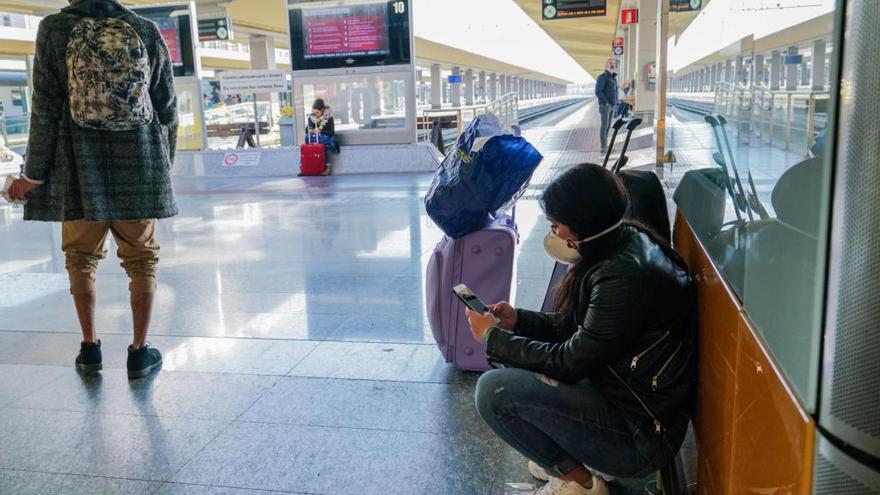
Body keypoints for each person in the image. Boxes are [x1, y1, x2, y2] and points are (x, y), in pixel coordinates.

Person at [467, 164, 696, 495]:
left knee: (495, 392)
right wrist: (517, 320)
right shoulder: (626, 239)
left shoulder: (623, 278)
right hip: (626, 397)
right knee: (518, 359)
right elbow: (580, 331)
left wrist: (493, 338)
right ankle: (563, 461)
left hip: (640, 437)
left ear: (584, 225)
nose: (553, 235)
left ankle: (581, 483)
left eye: (556, 225)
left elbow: (570, 361)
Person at [7, 0, 178, 379]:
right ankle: (139, 352)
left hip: (78, 167)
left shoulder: (54, 29)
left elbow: (46, 108)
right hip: (140, 165)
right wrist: (162, 167)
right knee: (142, 259)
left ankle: (89, 349)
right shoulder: (146, 30)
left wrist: (33, 175)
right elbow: (167, 107)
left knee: (80, 257)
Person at [306, 98, 340, 175]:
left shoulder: (329, 118)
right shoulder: (311, 118)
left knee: (327, 146)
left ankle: (327, 168)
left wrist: (319, 131)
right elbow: (306, 130)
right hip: (317, 140)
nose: (315, 115)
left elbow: (331, 132)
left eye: (317, 113)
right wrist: (311, 130)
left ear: (322, 111)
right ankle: (307, 167)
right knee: (308, 139)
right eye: (314, 112)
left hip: (326, 138)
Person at [595, 59, 618, 153]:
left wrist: (615, 103)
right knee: (604, 126)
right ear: (606, 66)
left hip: (612, 105)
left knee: (608, 126)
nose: (612, 64)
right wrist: (606, 103)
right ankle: (603, 147)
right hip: (605, 106)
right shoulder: (602, 77)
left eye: (613, 63)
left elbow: (614, 91)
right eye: (610, 63)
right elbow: (598, 91)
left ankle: (606, 145)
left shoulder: (613, 78)